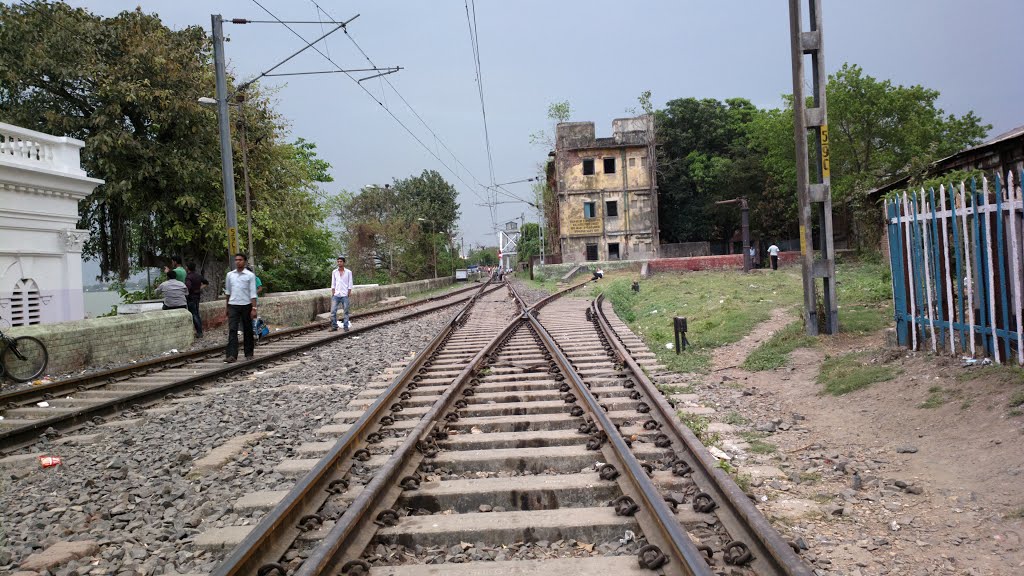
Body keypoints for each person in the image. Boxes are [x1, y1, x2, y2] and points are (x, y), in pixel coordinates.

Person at [224, 253, 258, 363]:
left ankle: (249, 353)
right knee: (232, 329)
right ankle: (231, 355)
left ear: (245, 261)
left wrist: (254, 308)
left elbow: (253, 293)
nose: (238, 262)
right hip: (233, 304)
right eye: (236, 260)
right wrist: (227, 307)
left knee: (247, 329)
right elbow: (228, 292)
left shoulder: (250, 276)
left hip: (246, 304)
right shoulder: (230, 275)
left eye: (240, 260)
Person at [330, 256, 354, 332]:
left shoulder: (348, 272)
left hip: (344, 294)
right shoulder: (334, 272)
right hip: (336, 294)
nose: (339, 263)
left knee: (346, 311)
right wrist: (333, 292)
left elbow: (350, 283)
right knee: (333, 311)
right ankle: (334, 326)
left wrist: (349, 292)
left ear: (344, 262)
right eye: (338, 261)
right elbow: (333, 283)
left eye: (341, 261)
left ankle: (346, 326)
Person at [184, 262, 207, 338]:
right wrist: (199, 288)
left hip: (191, 298)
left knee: (194, 314)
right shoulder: (198, 276)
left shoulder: (189, 277)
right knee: (196, 313)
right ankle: (199, 331)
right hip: (197, 296)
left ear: (187, 268)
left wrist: (186, 293)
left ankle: (199, 332)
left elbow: (188, 287)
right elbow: (206, 282)